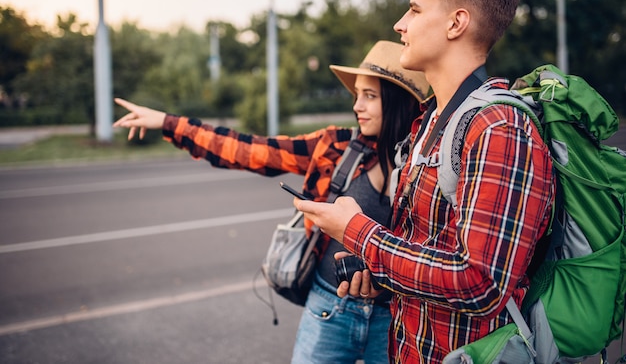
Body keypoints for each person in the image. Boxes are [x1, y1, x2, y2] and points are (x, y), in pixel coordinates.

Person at [294, 0, 556, 364]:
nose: (400, 24)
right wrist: (380, 274)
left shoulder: (498, 129)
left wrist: (358, 232)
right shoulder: (431, 120)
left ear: (456, 23)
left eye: (415, 9)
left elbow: (479, 282)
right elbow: (431, 250)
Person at [112, 40, 431, 364]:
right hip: (329, 308)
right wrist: (168, 122)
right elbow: (250, 150)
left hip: (398, 318)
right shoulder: (336, 146)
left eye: (370, 96)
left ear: (398, 102)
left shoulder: (428, 164)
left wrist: (388, 279)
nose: (357, 106)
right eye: (357, 95)